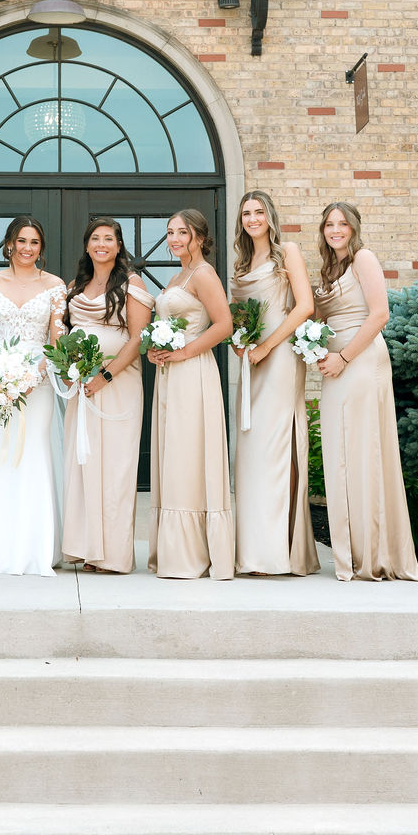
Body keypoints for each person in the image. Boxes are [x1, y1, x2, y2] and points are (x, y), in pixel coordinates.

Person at [314, 202, 418, 582]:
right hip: (336, 366)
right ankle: (351, 552)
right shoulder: (329, 269)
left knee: (363, 453)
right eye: (329, 224)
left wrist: (343, 357)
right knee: (340, 452)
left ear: (354, 227)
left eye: (342, 223)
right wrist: (314, 347)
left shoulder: (364, 258)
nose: (335, 229)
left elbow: (380, 314)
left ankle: (375, 554)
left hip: (361, 362)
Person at [229, 191, 319, 576]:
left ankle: (279, 552)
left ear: (270, 216)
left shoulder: (288, 253)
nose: (252, 218)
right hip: (252, 360)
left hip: (280, 357)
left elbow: (305, 306)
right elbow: (240, 317)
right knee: (250, 450)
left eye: (258, 212)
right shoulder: (241, 265)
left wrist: (267, 345)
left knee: (275, 447)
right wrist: (242, 341)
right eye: (246, 213)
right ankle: (254, 549)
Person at [0, 216, 67, 576]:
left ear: (41, 248)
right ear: (10, 243)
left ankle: (36, 547)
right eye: (22, 241)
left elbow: (56, 339)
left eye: (35, 242)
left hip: (39, 383)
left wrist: (34, 374)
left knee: (35, 454)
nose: (28, 248)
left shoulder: (55, 286)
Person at [146, 208, 235, 580]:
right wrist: (155, 349)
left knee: (189, 455)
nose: (174, 239)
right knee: (173, 455)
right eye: (169, 232)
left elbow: (225, 324)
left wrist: (183, 352)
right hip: (170, 377)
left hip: (194, 374)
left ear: (199, 237)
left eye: (182, 232)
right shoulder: (176, 276)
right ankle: (173, 550)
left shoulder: (203, 274)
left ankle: (192, 552)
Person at [61, 218, 151, 574]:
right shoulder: (75, 286)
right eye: (95, 238)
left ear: (118, 246)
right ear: (87, 246)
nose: (102, 244)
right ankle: (86, 550)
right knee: (82, 465)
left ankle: (112, 555)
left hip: (118, 384)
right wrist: (73, 369)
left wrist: (105, 375)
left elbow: (137, 338)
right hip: (81, 388)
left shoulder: (131, 284)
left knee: (115, 467)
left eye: (109, 239)